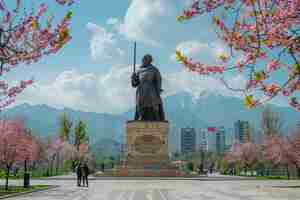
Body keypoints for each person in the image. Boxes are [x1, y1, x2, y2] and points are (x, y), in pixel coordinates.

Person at [131, 54, 165, 121]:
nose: (143, 61)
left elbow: (159, 80)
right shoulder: (139, 70)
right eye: (143, 59)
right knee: (139, 104)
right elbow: (135, 84)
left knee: (153, 104)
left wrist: (158, 91)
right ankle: (140, 116)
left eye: (145, 59)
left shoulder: (154, 70)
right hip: (141, 91)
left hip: (150, 90)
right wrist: (133, 78)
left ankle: (156, 118)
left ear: (149, 61)